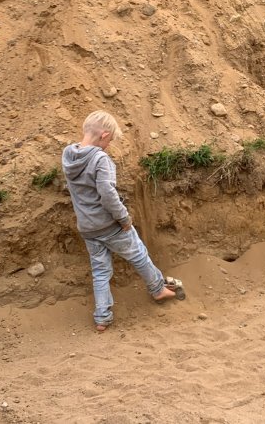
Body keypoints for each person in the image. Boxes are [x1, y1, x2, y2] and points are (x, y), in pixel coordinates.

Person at [62, 110, 182, 331]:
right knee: (138, 254)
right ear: (104, 135)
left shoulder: (68, 155)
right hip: (109, 225)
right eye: (111, 140)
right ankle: (157, 289)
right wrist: (124, 218)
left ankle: (102, 318)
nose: (109, 145)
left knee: (100, 271)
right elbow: (107, 193)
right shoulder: (100, 159)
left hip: (87, 228)